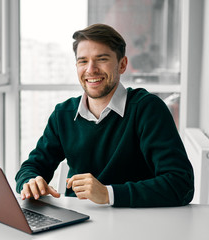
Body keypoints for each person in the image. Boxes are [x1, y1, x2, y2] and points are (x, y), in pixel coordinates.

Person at [15, 23, 194, 207]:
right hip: (77, 222)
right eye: (83, 61)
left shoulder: (147, 109)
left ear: (122, 64)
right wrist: (29, 182)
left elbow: (180, 183)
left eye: (101, 59)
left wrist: (108, 193)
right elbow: (31, 167)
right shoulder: (63, 114)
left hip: (136, 224)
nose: (91, 69)